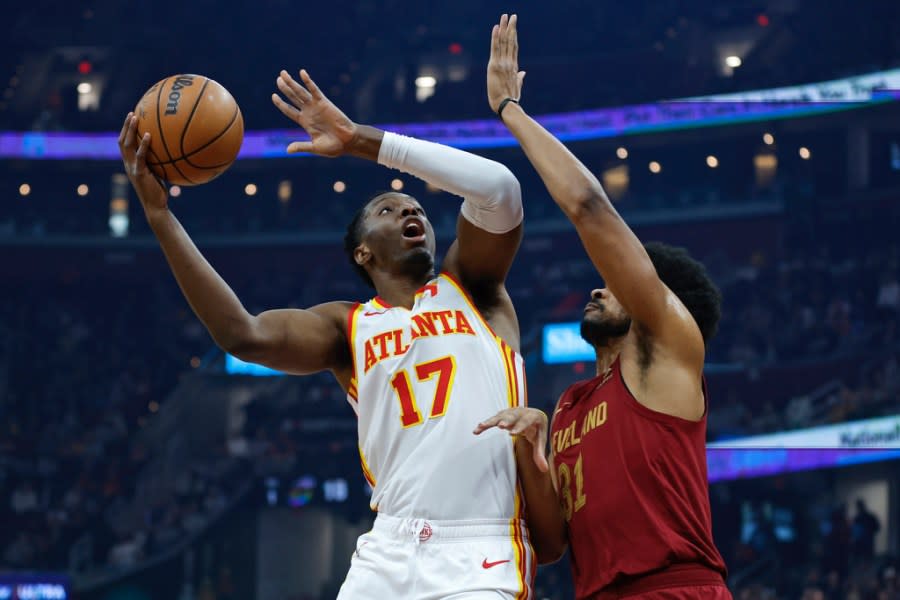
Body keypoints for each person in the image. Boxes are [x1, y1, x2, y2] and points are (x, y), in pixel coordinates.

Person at [118, 67, 535, 598]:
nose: (409, 208)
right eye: (388, 208)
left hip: (476, 547)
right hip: (388, 548)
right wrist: (160, 217)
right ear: (364, 251)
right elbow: (241, 334)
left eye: (417, 208)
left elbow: (500, 190)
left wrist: (361, 141)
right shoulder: (347, 326)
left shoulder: (474, 290)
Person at [475, 14, 731, 599]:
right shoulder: (568, 404)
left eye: (614, 284)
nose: (597, 287)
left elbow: (590, 207)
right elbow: (554, 543)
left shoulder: (666, 346)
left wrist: (509, 110)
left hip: (673, 587)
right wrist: (531, 453)